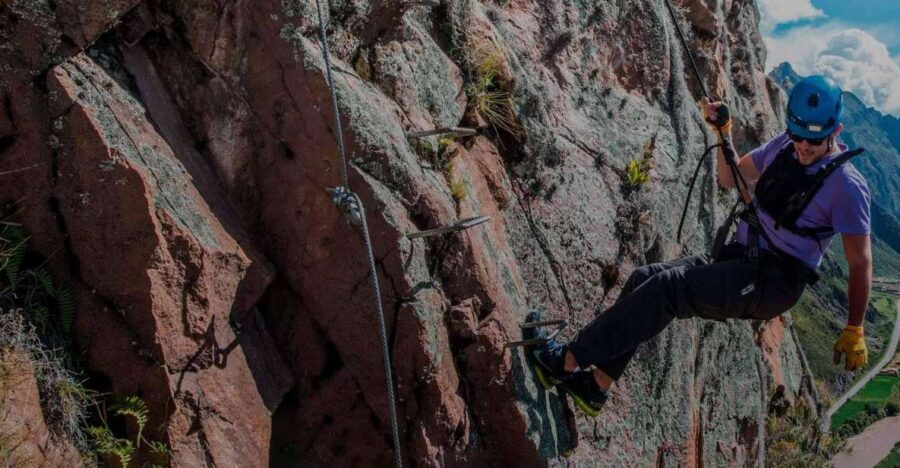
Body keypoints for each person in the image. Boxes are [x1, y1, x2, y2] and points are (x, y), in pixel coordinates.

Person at [526, 75, 873, 417]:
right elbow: (730, 177)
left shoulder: (847, 187)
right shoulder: (784, 146)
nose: (803, 147)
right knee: (645, 277)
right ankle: (596, 386)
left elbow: (860, 263)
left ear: (836, 131)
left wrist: (854, 327)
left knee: (668, 290)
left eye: (814, 141)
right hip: (742, 258)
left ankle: (565, 361)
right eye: (798, 135)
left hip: (773, 282)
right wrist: (723, 132)